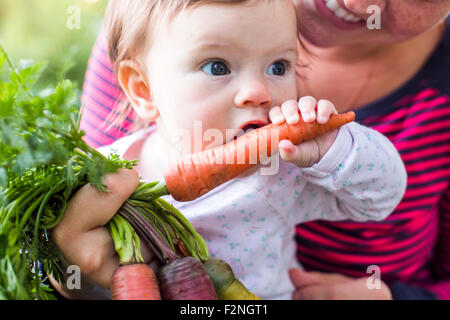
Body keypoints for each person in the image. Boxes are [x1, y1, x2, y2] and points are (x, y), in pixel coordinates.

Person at [48, 0, 407, 300]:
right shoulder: (110, 173)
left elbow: (381, 197)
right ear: (143, 90)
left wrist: (334, 148)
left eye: (278, 67)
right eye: (217, 67)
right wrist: (70, 276)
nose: (258, 91)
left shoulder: (280, 171)